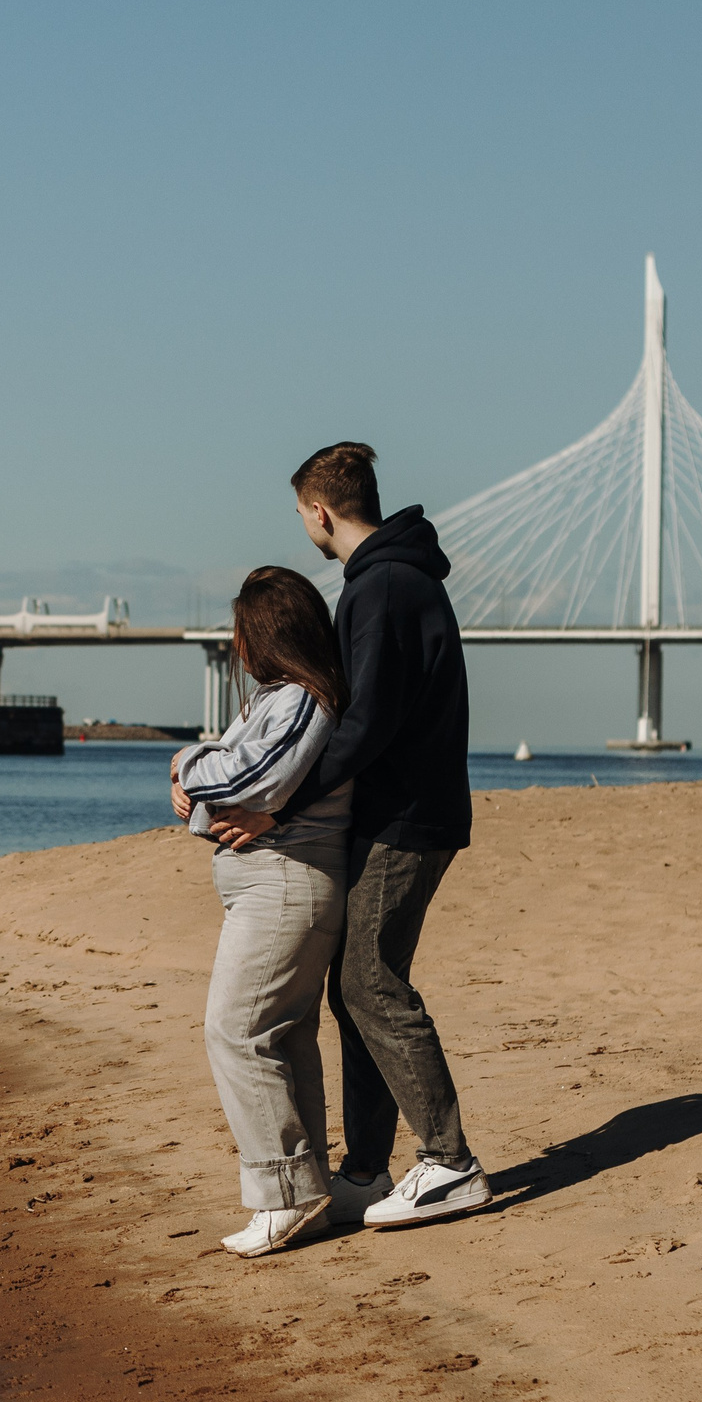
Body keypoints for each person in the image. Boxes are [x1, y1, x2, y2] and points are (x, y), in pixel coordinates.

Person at [209, 442, 488, 1228]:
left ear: (320, 512)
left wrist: (279, 806)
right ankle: (366, 1169)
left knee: (369, 982)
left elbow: (364, 724)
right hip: (408, 810)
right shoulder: (392, 579)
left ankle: (450, 1160)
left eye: (302, 514)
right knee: (355, 987)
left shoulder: (383, 587)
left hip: (406, 817)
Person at [169, 566, 356, 1257]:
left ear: (270, 635)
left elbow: (253, 777)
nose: (235, 646)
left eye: (242, 633)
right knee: (283, 1036)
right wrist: (202, 776)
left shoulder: (304, 699)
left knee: (235, 1031)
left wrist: (186, 763)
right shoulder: (272, 700)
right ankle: (310, 1192)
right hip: (269, 885)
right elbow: (220, 786)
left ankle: (286, 1195)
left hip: (286, 884)